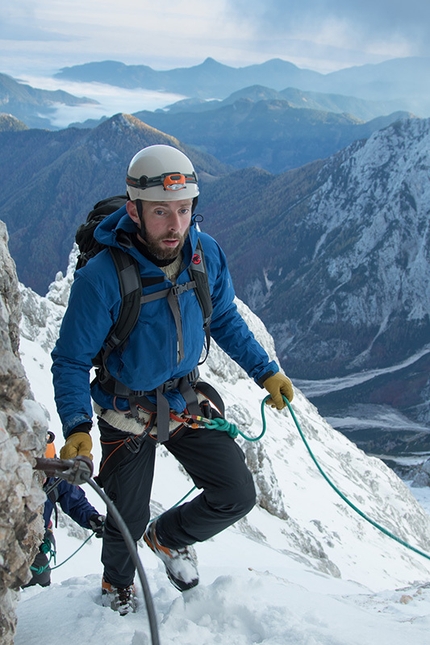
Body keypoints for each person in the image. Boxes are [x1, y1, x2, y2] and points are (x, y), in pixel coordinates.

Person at [51, 144, 294, 614]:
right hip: (125, 411)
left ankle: (166, 538)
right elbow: (70, 360)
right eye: (161, 212)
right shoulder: (102, 278)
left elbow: (223, 317)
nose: (176, 224)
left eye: (184, 210)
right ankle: (116, 587)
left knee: (236, 493)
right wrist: (78, 426)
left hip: (184, 401)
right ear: (134, 211)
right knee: (127, 515)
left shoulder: (205, 255)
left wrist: (267, 371)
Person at [23, 432, 104, 588]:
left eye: (45, 473)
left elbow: (75, 502)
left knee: (40, 580)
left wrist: (92, 518)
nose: (41, 478)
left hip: (34, 543)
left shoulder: (55, 481)